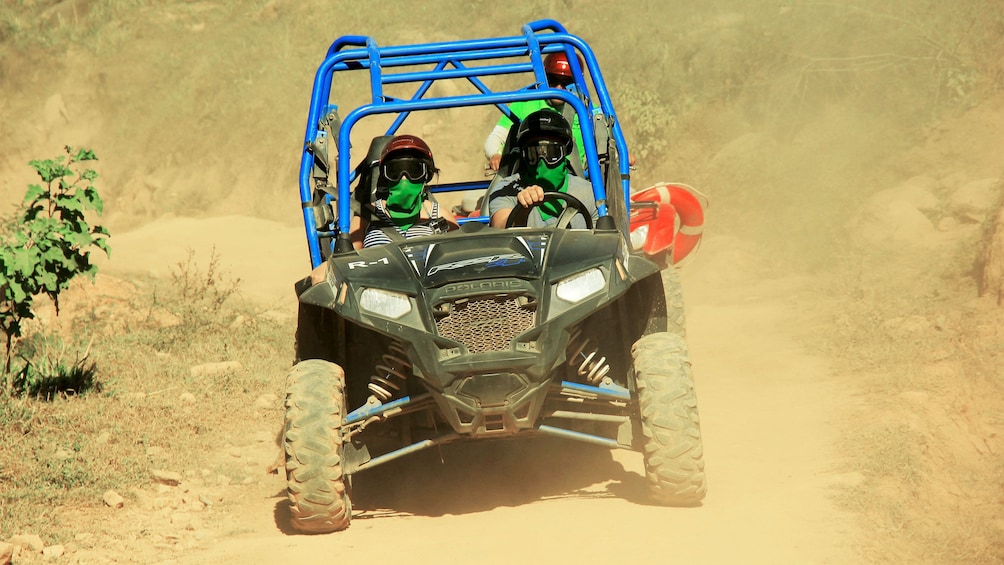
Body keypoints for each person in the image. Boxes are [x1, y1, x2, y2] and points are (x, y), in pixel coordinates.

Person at [487, 110, 599, 229]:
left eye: (552, 152)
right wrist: (522, 210)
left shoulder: (588, 193)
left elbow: (603, 241)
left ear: (565, 153)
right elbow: (500, 228)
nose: (542, 161)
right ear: (523, 156)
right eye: (533, 154)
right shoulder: (506, 190)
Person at [483, 52, 589, 172]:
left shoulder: (588, 112)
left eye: (566, 82)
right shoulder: (523, 104)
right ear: (544, 77)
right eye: (553, 80)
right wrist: (495, 155)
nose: (559, 88)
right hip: (526, 180)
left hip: (571, 182)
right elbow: (495, 137)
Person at [350, 134, 458, 248]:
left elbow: (460, 255)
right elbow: (346, 259)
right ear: (385, 177)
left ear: (426, 175)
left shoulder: (440, 216)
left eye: (414, 171)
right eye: (394, 172)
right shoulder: (366, 216)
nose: (404, 179)